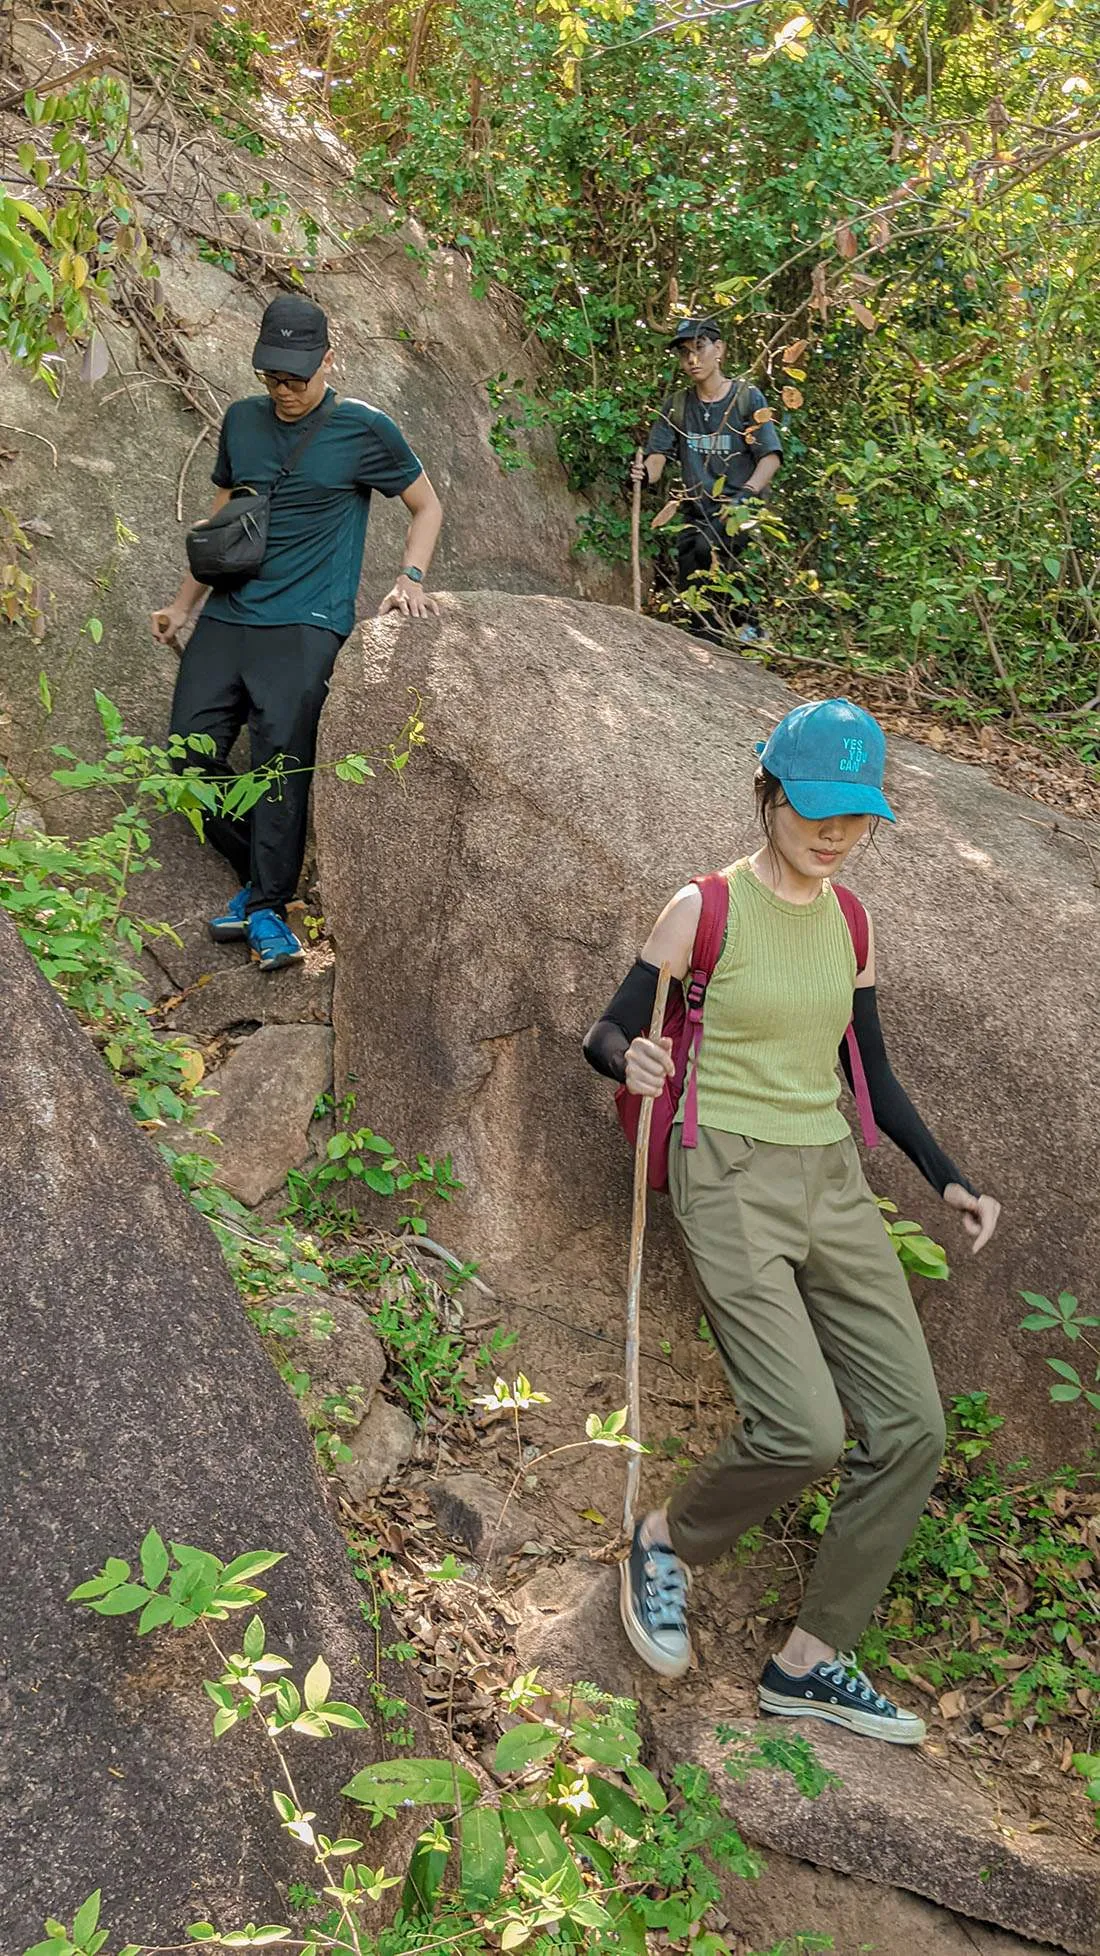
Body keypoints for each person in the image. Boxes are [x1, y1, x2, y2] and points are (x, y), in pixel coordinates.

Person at [582, 698, 1001, 1745]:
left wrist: (944, 1175)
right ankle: (666, 1542)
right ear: (766, 791)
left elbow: (871, 1068)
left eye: (854, 816)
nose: (833, 833)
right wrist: (624, 1057)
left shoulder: (850, 921)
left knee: (911, 1427)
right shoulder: (701, 908)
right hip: (722, 1170)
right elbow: (609, 1027)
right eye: (813, 808)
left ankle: (811, 1660)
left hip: (829, 1178)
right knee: (804, 1431)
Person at [152, 294, 443, 971]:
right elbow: (222, 524)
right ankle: (267, 870)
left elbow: (427, 506)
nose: (282, 390)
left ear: (327, 361)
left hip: (308, 623)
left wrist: (411, 577)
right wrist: (182, 604)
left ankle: (268, 908)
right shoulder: (243, 423)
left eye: (295, 377)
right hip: (228, 614)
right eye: (271, 376)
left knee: (280, 764)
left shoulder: (365, 429)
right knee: (184, 764)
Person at [631, 317, 782, 642]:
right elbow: (657, 456)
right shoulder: (678, 405)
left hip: (740, 508)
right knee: (692, 580)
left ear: (720, 349)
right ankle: (709, 645)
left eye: (699, 348)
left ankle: (751, 631)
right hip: (696, 511)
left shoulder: (747, 398)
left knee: (709, 549)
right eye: (684, 353)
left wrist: (746, 495)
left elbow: (769, 457)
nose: (691, 359)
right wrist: (643, 476)